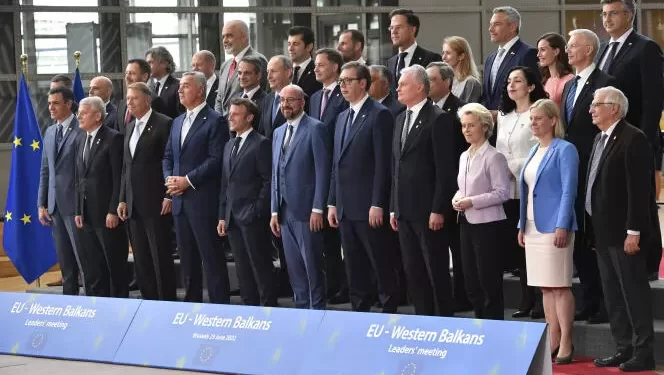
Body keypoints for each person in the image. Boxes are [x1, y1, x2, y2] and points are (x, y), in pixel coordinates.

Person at [588, 87, 658, 372]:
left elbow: (639, 192)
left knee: (634, 294)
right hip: (602, 232)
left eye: (596, 104)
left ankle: (644, 353)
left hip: (624, 233)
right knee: (613, 295)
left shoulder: (634, 138)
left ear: (614, 108)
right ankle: (623, 347)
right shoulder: (599, 137)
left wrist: (634, 231)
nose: (591, 109)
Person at [597, 0, 663, 275]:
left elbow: (653, 99)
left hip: (635, 138)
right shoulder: (603, 48)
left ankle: (648, 263)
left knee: (642, 201)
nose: (607, 19)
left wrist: (645, 142)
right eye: (603, 14)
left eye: (613, 13)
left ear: (629, 15)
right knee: (617, 199)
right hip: (609, 138)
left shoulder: (645, 47)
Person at [327, 62, 397, 313]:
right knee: (354, 265)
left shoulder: (379, 114)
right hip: (345, 206)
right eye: (341, 81)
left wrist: (378, 203)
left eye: (347, 81)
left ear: (363, 83)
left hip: (369, 205)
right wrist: (332, 202)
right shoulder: (342, 117)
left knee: (380, 262)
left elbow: (383, 164)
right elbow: (337, 163)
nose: (343, 86)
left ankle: (389, 310)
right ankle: (360, 312)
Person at [390, 65, 457, 317]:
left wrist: (439, 209)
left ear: (419, 86)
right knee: (413, 269)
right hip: (404, 210)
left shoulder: (438, 118)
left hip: (428, 211)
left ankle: (442, 320)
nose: (397, 88)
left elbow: (445, 170)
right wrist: (393, 206)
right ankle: (423, 320)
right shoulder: (399, 118)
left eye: (403, 84)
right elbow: (395, 167)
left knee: (435, 269)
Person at [517, 98, 579, 364]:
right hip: (532, 227)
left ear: (553, 120)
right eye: (531, 119)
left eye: (539, 118)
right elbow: (527, 191)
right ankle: (552, 337)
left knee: (560, 286)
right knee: (545, 287)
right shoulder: (533, 151)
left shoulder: (565, 149)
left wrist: (562, 224)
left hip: (555, 227)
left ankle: (566, 340)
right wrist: (521, 224)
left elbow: (568, 190)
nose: (534, 123)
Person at [562, 28, 616, 324]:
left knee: (595, 236)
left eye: (573, 46)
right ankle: (589, 299)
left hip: (593, 168)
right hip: (571, 169)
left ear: (589, 51)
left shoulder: (605, 83)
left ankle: (607, 304)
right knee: (579, 238)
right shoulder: (570, 85)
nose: (568, 50)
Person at [163, 72, 230, 303]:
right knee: (187, 259)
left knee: (211, 257)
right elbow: (168, 157)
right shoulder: (177, 121)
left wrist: (187, 180)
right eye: (179, 86)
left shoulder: (215, 120)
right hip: (180, 201)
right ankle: (192, 305)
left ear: (201, 90)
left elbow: (216, 159)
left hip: (202, 200)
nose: (180, 90)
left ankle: (220, 306)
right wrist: (170, 180)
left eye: (186, 86)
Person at [270, 84, 331, 310]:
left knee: (312, 266)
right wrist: (274, 210)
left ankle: (317, 312)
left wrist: (318, 208)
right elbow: (276, 172)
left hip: (307, 211)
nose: (285, 104)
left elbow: (322, 171)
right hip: (284, 212)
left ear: (302, 102)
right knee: (295, 269)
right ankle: (302, 313)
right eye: (282, 100)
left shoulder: (316, 128)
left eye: (291, 100)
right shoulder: (278, 133)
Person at [117, 82, 176, 301]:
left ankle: (166, 302)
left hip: (156, 201)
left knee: (160, 256)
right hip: (133, 204)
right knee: (141, 259)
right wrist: (122, 199)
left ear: (147, 100)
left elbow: (170, 162)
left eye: (134, 98)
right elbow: (126, 166)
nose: (129, 103)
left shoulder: (164, 123)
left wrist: (168, 194)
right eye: (128, 99)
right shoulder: (130, 127)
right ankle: (149, 302)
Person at [496, 66, 547, 319]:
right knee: (518, 249)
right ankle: (526, 299)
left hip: (531, 185)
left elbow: (541, 149)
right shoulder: (503, 116)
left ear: (531, 86)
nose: (511, 85)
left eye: (517, 81)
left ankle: (539, 300)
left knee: (533, 245)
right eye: (508, 82)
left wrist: (512, 166)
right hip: (507, 189)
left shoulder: (537, 114)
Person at [453, 103, 510, 320]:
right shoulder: (464, 156)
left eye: (471, 125)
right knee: (471, 280)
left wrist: (471, 201)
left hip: (488, 225)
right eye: (464, 126)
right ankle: (479, 324)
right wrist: (456, 199)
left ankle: (494, 326)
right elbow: (462, 188)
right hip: (467, 223)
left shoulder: (494, 156)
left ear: (485, 127)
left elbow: (502, 193)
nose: (466, 130)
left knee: (488, 280)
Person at [218, 98, 276, 307]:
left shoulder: (261, 143)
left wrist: (257, 210)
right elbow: (226, 184)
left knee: (260, 266)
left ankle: (268, 309)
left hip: (252, 217)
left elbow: (268, 181)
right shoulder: (229, 145)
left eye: (235, 114)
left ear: (249, 118)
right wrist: (222, 216)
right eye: (229, 113)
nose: (230, 117)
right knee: (242, 269)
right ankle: (248, 310)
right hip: (232, 218)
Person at [426, 61, 471, 312]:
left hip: (457, 189)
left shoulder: (461, 110)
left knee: (459, 247)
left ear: (447, 82)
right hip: (432, 189)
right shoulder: (426, 111)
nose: (428, 84)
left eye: (432, 79)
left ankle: (463, 297)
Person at [74, 96, 127, 298]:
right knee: (93, 265)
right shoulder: (81, 139)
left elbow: (118, 178)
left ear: (97, 116)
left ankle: (119, 306)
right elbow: (79, 178)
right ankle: (98, 306)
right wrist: (78, 209)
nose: (79, 115)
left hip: (107, 215)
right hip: (86, 215)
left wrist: (113, 210)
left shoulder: (113, 138)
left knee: (114, 265)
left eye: (84, 112)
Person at [309, 48, 349, 304]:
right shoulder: (313, 98)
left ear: (335, 67)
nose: (316, 69)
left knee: (337, 237)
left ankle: (343, 286)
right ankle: (331, 284)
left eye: (321, 64)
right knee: (324, 239)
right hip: (316, 171)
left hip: (338, 170)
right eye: (315, 65)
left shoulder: (344, 95)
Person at [38, 87, 85, 296]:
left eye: (55, 103)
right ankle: (70, 302)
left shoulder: (82, 129)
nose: (51, 107)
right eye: (49, 103)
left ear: (68, 104)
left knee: (85, 261)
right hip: (55, 207)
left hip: (77, 207)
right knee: (65, 262)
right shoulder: (49, 132)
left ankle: (93, 305)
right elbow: (45, 170)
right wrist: (42, 203)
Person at [481, 6, 539, 114]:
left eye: (497, 24)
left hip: (515, 122)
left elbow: (533, 94)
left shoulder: (527, 54)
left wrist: (500, 115)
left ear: (512, 27)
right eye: (491, 24)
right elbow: (487, 95)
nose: (490, 29)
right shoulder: (490, 59)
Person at [215, 20, 268, 116]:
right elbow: (219, 99)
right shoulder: (225, 65)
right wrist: (220, 122)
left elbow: (261, 96)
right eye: (223, 36)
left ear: (244, 37)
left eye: (229, 36)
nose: (225, 40)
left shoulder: (258, 60)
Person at [386, 9, 441, 89]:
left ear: (412, 30)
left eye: (398, 27)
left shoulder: (431, 59)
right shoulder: (390, 62)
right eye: (391, 28)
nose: (393, 32)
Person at [258, 55, 292, 139]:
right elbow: (261, 132)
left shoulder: (300, 98)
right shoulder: (267, 99)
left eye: (273, 71)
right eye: (268, 71)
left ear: (288, 73)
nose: (269, 76)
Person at [115, 59, 151, 135]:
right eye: (126, 73)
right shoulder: (122, 104)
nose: (127, 77)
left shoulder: (154, 101)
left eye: (132, 73)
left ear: (144, 76)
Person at [537, 33, 574, 107]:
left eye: (543, 50)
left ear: (556, 51)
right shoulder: (545, 80)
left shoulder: (570, 80)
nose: (538, 54)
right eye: (538, 50)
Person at [146, 46, 183, 119]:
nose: (147, 67)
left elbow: (181, 115)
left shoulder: (178, 86)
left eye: (151, 62)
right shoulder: (150, 88)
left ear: (164, 63)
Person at [442, 36, 482, 104]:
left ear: (461, 56)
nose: (443, 57)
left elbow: (470, 111)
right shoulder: (446, 81)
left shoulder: (470, 82)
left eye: (448, 53)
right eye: (443, 53)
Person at [288, 26, 322, 97]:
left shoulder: (318, 72)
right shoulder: (284, 70)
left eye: (295, 44)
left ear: (309, 47)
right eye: (289, 44)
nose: (290, 48)